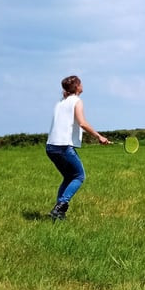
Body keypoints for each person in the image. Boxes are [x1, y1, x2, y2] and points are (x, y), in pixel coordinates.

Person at [46, 75, 109, 221]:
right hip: (63, 147)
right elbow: (82, 123)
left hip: (50, 147)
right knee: (79, 176)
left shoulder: (60, 102)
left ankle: (58, 213)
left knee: (68, 177)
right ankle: (61, 206)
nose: (82, 85)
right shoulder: (77, 101)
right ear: (76, 87)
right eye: (80, 83)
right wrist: (99, 137)